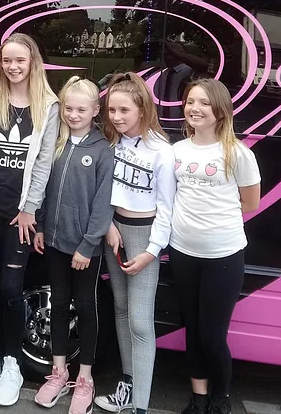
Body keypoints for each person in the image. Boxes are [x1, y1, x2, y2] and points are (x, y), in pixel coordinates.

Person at [0, 32, 59, 407]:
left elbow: (42, 165)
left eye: (19, 60)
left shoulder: (49, 105)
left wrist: (30, 209)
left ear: (32, 62)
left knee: (11, 288)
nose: (13, 67)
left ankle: (12, 364)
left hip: (21, 215)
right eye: (6, 60)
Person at [171, 79, 260, 414]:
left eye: (204, 103)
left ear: (220, 110)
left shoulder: (238, 153)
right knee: (192, 331)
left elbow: (250, 203)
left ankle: (221, 400)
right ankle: (199, 398)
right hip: (182, 253)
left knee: (212, 335)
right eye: (191, 101)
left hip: (223, 255)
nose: (195, 108)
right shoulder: (177, 151)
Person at [94, 72, 176, 414]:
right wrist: (109, 226)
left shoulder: (163, 151)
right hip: (115, 234)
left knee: (141, 321)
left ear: (142, 108)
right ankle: (127, 386)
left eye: (124, 110)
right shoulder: (112, 144)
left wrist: (151, 252)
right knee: (121, 309)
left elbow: (167, 209)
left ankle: (140, 405)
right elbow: (105, 192)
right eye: (112, 110)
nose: (116, 117)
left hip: (144, 239)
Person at [33, 76, 115, 413]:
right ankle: (58, 371)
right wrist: (39, 227)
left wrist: (88, 245)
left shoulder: (102, 151)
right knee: (58, 304)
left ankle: (84, 378)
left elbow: (103, 205)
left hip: (85, 250)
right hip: (53, 242)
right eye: (68, 107)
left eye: (82, 109)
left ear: (96, 110)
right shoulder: (56, 143)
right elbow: (41, 187)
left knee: (85, 308)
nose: (73, 114)